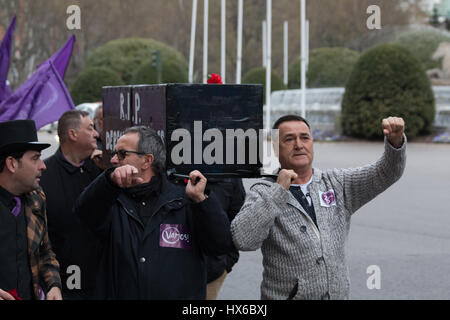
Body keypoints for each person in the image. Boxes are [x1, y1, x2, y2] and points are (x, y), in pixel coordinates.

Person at [231, 115, 407, 300]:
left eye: (304, 137)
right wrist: (278, 191)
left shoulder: (336, 183)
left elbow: (386, 173)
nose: (299, 144)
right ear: (275, 148)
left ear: (312, 143)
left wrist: (395, 144)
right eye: (289, 139)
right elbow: (243, 239)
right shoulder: (263, 191)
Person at [73, 126, 234, 299]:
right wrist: (108, 181)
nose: (113, 160)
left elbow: (220, 245)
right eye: (114, 153)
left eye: (122, 154)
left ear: (147, 161)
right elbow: (83, 211)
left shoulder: (184, 199)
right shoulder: (111, 199)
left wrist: (202, 201)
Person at [39, 110, 103, 300]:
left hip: (101, 281)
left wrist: (107, 171)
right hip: (63, 284)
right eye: (90, 128)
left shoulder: (102, 171)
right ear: (73, 134)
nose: (96, 134)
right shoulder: (43, 175)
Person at [0, 120, 62, 300]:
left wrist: (54, 286)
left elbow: (45, 252)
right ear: (12, 164)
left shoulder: (36, 198)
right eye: (35, 158)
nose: (43, 165)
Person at [205, 178, 245, 300]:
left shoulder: (230, 176)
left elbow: (237, 221)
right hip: (169, 272)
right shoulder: (173, 169)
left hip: (211, 274)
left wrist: (226, 264)